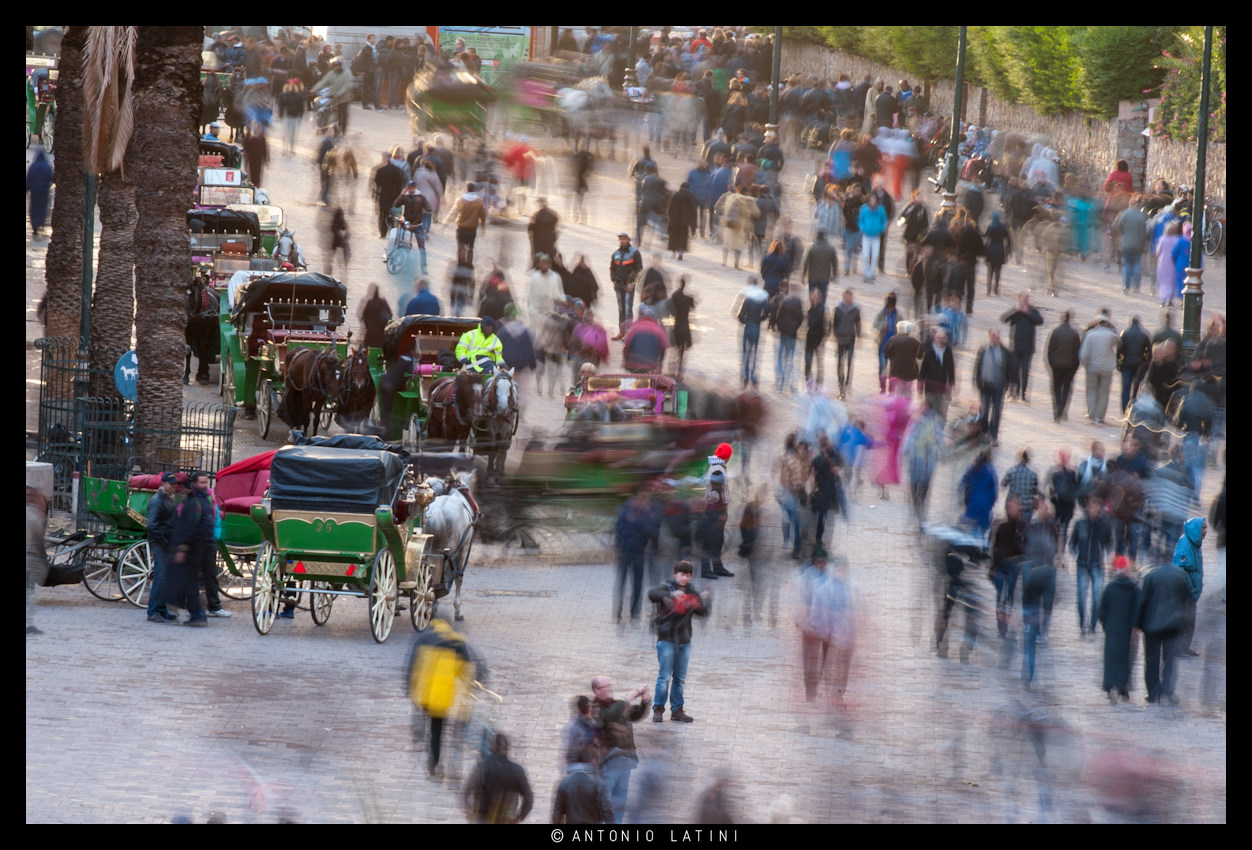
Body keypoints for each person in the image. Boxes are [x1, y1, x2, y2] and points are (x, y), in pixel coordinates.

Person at [408, 618, 476, 775]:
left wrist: (411, 687)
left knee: (435, 730)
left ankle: (433, 761)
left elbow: (413, 665)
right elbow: (467, 668)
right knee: (451, 729)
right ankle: (452, 764)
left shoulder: (423, 639)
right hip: (447, 694)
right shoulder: (456, 642)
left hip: (426, 693)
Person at [648, 561, 710, 724]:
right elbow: (652, 593)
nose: (684, 578)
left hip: (684, 640)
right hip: (667, 639)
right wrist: (670, 596)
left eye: (688, 575)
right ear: (675, 574)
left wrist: (701, 601)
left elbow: (702, 612)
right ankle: (658, 709)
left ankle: (677, 709)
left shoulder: (692, 592)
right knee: (664, 677)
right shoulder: (666, 588)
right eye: (682, 574)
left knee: (680, 678)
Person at [590, 676, 651, 823]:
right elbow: (607, 717)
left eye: (610, 685)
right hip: (607, 764)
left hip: (625, 762)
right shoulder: (594, 709)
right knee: (604, 805)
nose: (610, 688)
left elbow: (635, 715)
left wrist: (645, 701)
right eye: (606, 686)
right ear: (596, 691)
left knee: (619, 805)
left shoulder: (617, 705)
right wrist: (627, 700)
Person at [167, 471, 221, 625]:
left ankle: (197, 614)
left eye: (206, 482)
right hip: (198, 544)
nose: (204, 485)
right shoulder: (196, 501)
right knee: (192, 581)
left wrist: (182, 549)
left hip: (199, 545)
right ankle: (197, 614)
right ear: (194, 484)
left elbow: (189, 527)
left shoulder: (200, 501)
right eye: (201, 483)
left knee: (191, 581)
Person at [1137, 558, 1191, 705]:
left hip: (1152, 626)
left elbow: (1142, 601)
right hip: (1173, 626)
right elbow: (1187, 597)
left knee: (1151, 661)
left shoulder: (1150, 576)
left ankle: (1153, 692)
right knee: (1170, 661)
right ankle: (1168, 691)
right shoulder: (1181, 575)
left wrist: (1138, 624)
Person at [463, 733, 533, 824]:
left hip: (482, 818)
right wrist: (519, 817)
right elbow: (529, 798)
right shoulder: (517, 770)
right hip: (505, 819)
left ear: (494, 746)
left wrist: (469, 813)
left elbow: (467, 791)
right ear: (507, 750)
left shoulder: (483, 767)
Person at [145, 473, 184, 624]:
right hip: (161, 545)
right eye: (171, 484)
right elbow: (152, 525)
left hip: (166, 543)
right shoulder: (157, 501)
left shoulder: (167, 499)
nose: (174, 486)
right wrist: (164, 541)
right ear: (163, 484)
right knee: (160, 579)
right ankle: (153, 611)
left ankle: (161, 611)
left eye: (175, 484)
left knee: (164, 578)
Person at [990, 493, 1027, 640]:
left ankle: (1008, 625)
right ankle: (1001, 628)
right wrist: (993, 566)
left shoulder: (1023, 527)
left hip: (1014, 568)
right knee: (1000, 597)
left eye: (1015, 505)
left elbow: (1025, 548)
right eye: (1011, 506)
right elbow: (995, 547)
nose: (1013, 509)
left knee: (1010, 595)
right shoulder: (1002, 527)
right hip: (1001, 566)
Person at [552, 745, 615, 825]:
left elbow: (557, 814)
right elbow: (607, 810)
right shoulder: (598, 782)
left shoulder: (564, 783)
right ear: (590, 761)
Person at [974, 328, 1015, 446]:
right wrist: (977, 381)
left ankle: (993, 436)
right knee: (985, 411)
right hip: (985, 385)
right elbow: (978, 366)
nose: (996, 338)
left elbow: (1011, 368)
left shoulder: (1005, 352)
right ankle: (984, 432)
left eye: (998, 336)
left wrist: (1011, 383)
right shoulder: (983, 350)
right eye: (994, 336)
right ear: (990, 336)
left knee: (997, 411)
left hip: (998, 387)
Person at [1000, 292, 1043, 403]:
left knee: (1025, 370)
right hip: (1014, 347)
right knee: (1013, 370)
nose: (1025, 301)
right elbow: (1003, 318)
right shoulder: (1015, 311)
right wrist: (1016, 310)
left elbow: (1040, 321)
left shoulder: (1033, 310)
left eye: (1027, 299)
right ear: (1019, 299)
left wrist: (1027, 312)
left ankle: (1022, 394)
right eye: (1023, 299)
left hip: (1028, 347)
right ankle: (1012, 392)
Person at [1079, 313, 1120, 425]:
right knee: (1104, 392)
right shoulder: (1111, 335)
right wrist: (1112, 327)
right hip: (1107, 368)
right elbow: (1119, 340)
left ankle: (1092, 414)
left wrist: (1085, 364)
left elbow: (1084, 353)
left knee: (1091, 390)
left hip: (1092, 367)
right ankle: (1100, 416)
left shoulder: (1090, 334)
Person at [1173, 517, 1205, 656]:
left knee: (1190, 621)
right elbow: (1179, 567)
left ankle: (1185, 646)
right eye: (1203, 528)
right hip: (1186, 591)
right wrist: (1189, 586)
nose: (1206, 531)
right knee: (1184, 620)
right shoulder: (1185, 543)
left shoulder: (1195, 543)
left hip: (1192, 591)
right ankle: (1178, 648)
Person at [1045, 311, 1081, 422]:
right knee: (1066, 389)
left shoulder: (1055, 332)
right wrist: (1075, 368)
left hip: (1056, 365)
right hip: (1069, 366)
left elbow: (1050, 351)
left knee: (1056, 388)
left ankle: (1057, 408)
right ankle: (1061, 409)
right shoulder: (1074, 334)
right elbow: (1077, 354)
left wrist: (1051, 364)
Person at [737, 275, 769, 388]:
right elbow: (766, 313)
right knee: (755, 353)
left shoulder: (748, 298)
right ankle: (754, 377)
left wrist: (744, 321)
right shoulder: (762, 297)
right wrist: (760, 319)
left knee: (745, 353)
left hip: (748, 326)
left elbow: (740, 315)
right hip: (757, 327)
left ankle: (745, 377)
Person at [444, 183, 487, 265]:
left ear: (466, 189)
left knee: (461, 247)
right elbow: (483, 216)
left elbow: (453, 212)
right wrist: (483, 227)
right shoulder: (479, 201)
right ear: (474, 190)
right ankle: (469, 266)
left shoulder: (460, 200)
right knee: (470, 249)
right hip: (472, 229)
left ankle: (460, 265)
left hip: (461, 229)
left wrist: (446, 222)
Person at [609, 233, 643, 339]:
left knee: (628, 308)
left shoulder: (634, 253)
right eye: (620, 239)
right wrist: (614, 280)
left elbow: (639, 270)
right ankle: (621, 331)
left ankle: (629, 332)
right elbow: (612, 269)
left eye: (624, 239)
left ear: (628, 240)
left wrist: (633, 283)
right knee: (621, 308)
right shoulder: (616, 253)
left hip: (628, 286)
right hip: (619, 285)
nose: (622, 241)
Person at [26, 486, 50, 635]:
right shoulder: (33, 516)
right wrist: (44, 558)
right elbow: (39, 540)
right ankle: (29, 624)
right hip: (30, 557)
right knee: (29, 591)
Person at [918, 327, 955, 421]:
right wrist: (920, 384)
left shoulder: (948, 351)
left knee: (940, 414)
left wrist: (951, 383)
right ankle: (927, 433)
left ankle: (938, 433)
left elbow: (951, 368)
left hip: (941, 387)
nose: (941, 340)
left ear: (946, 339)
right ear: (934, 337)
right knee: (927, 414)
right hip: (929, 387)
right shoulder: (928, 351)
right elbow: (923, 369)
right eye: (939, 337)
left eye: (943, 338)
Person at [831, 288, 861, 401]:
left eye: (850, 297)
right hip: (841, 340)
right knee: (840, 364)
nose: (848, 299)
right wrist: (835, 336)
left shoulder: (856, 310)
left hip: (851, 340)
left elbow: (858, 324)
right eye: (846, 297)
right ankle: (841, 386)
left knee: (849, 363)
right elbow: (834, 324)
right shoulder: (838, 309)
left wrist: (859, 336)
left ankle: (848, 382)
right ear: (844, 297)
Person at [959, 449, 998, 534]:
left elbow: (962, 483)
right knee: (982, 530)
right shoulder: (991, 471)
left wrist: (964, 499)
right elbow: (994, 492)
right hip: (985, 505)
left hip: (972, 503)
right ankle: (981, 545)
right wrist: (992, 503)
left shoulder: (971, 469)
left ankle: (973, 544)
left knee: (973, 528)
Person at [622, 305, 668, 373]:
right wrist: (660, 364)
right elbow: (664, 346)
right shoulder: (658, 330)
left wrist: (625, 360)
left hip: (632, 363)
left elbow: (627, 344)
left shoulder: (635, 327)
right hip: (650, 363)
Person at [858, 191, 888, 282]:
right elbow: (861, 220)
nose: (873, 201)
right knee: (865, 255)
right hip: (866, 236)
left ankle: (872, 273)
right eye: (871, 199)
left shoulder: (881, 210)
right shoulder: (864, 209)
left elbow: (884, 220)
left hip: (876, 236)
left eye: (874, 199)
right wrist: (862, 228)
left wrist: (881, 228)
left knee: (875, 256)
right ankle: (865, 273)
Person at [561, 696, 598, 768]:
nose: (591, 709)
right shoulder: (574, 727)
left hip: (588, 765)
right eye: (588, 707)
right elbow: (571, 749)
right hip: (577, 766)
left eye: (591, 707)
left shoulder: (592, 723)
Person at [26, 145, 53, 237]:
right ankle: (41, 223)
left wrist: (27, 189)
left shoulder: (33, 166)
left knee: (34, 208)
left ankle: (35, 226)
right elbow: (50, 178)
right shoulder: (47, 166)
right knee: (43, 207)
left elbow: (28, 179)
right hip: (44, 191)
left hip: (34, 191)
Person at [528, 198, 559, 263]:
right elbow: (556, 229)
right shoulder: (553, 214)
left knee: (538, 260)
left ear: (539, 204)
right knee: (549, 259)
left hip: (538, 243)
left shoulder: (536, 215)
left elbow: (531, 227)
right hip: (549, 243)